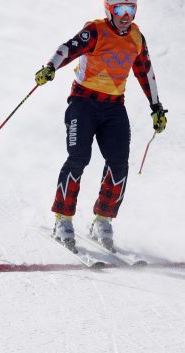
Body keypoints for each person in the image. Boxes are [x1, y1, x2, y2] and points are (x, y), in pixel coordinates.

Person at [34, 0, 168, 252]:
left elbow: (146, 72)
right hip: (83, 102)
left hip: (114, 107)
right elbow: (68, 48)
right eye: (120, 10)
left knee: (119, 163)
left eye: (131, 10)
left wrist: (156, 107)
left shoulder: (137, 38)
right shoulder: (95, 31)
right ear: (109, 11)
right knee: (78, 158)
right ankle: (63, 219)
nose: (126, 16)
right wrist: (50, 67)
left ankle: (102, 220)